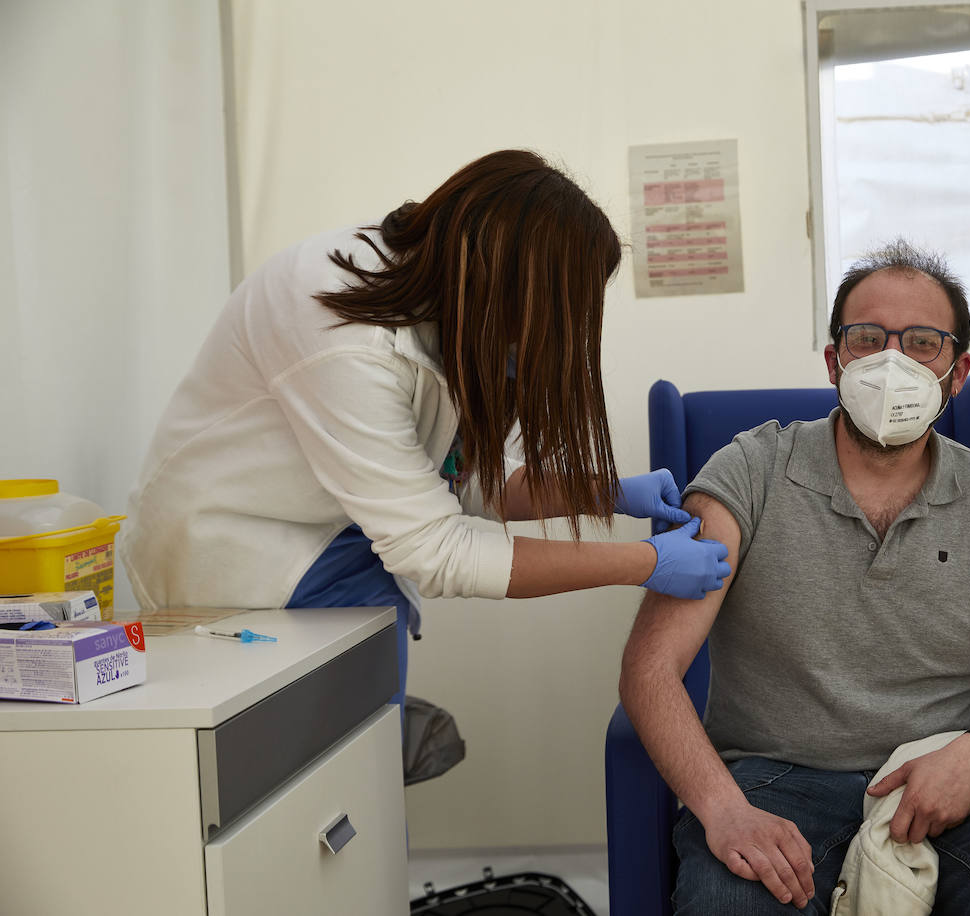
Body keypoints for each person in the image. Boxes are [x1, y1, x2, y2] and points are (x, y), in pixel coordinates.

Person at [619, 240, 970, 914]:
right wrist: (724, 810)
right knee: (727, 904)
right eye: (866, 339)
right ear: (833, 361)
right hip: (775, 783)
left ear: (957, 370)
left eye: (921, 342)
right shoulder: (752, 471)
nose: (892, 362)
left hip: (944, 777)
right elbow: (651, 667)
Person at [124, 149, 731, 703]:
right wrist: (643, 562)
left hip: (338, 536)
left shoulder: (461, 316)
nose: (552, 340)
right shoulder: (343, 333)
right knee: (328, 785)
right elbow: (434, 548)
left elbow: (462, 477)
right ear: (508, 286)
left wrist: (602, 491)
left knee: (360, 779)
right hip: (242, 558)